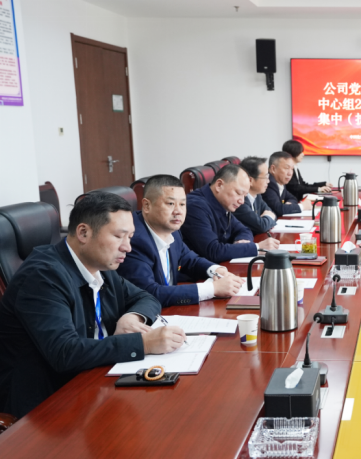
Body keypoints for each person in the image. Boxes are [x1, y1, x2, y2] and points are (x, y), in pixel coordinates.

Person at [0, 193, 186, 417]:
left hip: (94, 380)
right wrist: (144, 343)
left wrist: (132, 317)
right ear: (83, 233)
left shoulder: (100, 266)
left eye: (130, 237)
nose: (128, 247)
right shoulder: (42, 276)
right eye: (119, 236)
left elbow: (147, 298)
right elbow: (65, 353)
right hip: (47, 406)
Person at [119, 175, 245, 307]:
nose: (178, 211)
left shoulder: (172, 230)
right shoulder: (134, 240)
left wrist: (216, 269)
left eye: (182, 204)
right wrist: (213, 289)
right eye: (170, 203)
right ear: (146, 206)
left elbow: (189, 259)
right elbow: (149, 293)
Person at [180, 164, 280, 264]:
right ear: (219, 185)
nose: (242, 201)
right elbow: (213, 251)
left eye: (245, 196)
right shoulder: (195, 207)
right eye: (238, 193)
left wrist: (241, 242)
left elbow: (244, 230)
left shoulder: (222, 202)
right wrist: (257, 247)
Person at [235, 156, 278, 234]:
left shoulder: (257, 196)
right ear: (250, 180)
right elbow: (261, 226)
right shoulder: (239, 201)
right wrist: (266, 219)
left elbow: (272, 213)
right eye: (265, 177)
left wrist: (265, 219)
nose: (268, 181)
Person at [263, 151, 313, 217]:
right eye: (286, 168)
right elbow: (278, 209)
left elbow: (293, 198)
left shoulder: (280, 182)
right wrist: (302, 206)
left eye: (292, 169)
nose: (290, 173)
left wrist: (288, 205)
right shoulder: (268, 183)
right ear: (273, 169)